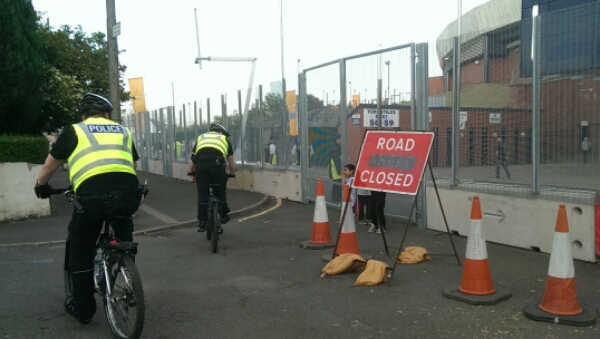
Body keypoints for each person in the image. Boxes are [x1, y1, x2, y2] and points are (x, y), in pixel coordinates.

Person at [34, 93, 141, 325]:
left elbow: (50, 165)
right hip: (128, 195)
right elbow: (132, 164)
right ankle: (127, 273)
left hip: (91, 199)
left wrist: (41, 186)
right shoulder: (123, 131)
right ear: (107, 115)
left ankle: (83, 309)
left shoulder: (75, 130)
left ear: (84, 115)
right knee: (123, 233)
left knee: (81, 249)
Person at [188, 123, 236, 233]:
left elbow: (193, 158)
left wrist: (190, 171)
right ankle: (223, 215)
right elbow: (231, 161)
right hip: (217, 164)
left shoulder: (201, 138)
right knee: (220, 190)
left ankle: (202, 221)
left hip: (201, 166)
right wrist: (232, 173)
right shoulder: (224, 139)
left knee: (202, 193)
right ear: (220, 132)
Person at [328, 135, 342, 203]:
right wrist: (340, 171)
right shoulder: (336, 148)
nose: (341, 141)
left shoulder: (334, 147)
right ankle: (337, 200)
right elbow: (337, 160)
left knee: (335, 186)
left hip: (334, 171)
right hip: (337, 172)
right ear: (337, 140)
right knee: (338, 186)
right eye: (340, 139)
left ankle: (335, 200)